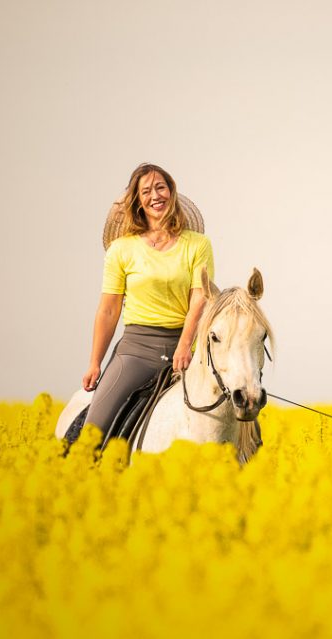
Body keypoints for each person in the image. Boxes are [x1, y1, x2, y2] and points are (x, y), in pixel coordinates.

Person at [81, 163, 214, 439]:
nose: (155, 195)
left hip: (187, 348)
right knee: (92, 433)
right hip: (136, 350)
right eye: (146, 191)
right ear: (138, 202)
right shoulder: (121, 249)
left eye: (161, 187)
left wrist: (185, 345)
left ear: (171, 192)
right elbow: (108, 310)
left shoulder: (198, 244)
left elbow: (199, 298)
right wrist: (95, 362)